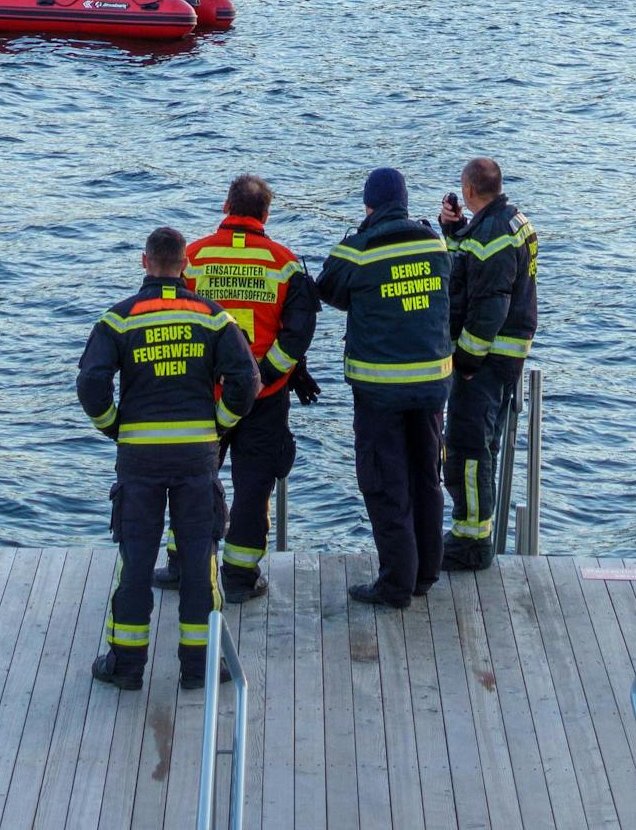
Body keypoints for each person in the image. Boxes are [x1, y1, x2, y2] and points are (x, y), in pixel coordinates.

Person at [76, 224, 259, 692]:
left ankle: (126, 665)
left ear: (144, 262)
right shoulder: (213, 318)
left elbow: (91, 384)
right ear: (185, 265)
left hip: (140, 458)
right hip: (197, 457)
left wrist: (114, 426)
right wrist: (219, 424)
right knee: (201, 563)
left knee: (135, 560)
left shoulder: (118, 320)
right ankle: (198, 669)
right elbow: (246, 381)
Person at [315, 167, 453, 609]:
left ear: (368, 205)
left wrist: (359, 234)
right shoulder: (434, 242)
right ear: (407, 201)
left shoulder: (360, 250)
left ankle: (395, 583)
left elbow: (327, 287)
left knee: (385, 483)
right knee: (427, 478)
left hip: (380, 391)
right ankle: (425, 573)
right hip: (433, 385)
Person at [179, 175, 320, 600]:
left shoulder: (193, 257)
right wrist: (268, 376)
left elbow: (173, 319)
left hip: (208, 393)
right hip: (264, 398)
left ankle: (180, 565)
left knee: (194, 478)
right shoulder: (285, 263)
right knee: (254, 483)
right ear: (265, 214)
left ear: (226, 206)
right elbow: (298, 333)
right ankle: (240, 578)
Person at [438, 156, 537, 570]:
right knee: (481, 445)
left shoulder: (494, 235)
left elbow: (489, 307)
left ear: (469, 191)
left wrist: (465, 360)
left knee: (469, 447)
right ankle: (472, 529)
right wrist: (454, 231)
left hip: (486, 358)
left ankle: (473, 541)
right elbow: (471, 262)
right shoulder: (510, 221)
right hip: (504, 355)